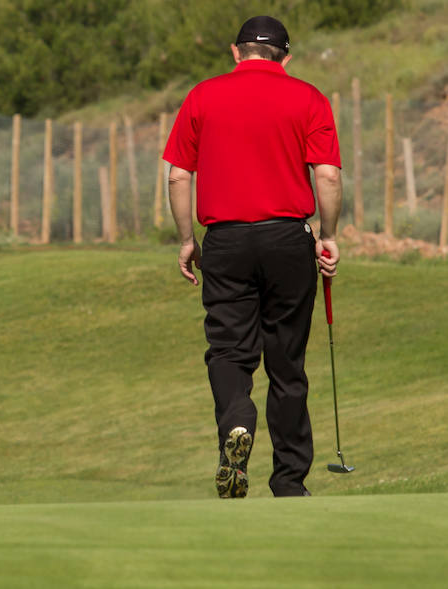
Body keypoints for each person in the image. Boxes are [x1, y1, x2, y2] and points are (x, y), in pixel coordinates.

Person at [162, 16, 342, 498]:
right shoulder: (309, 97)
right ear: (286, 57)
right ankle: (288, 483)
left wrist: (186, 239)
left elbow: (179, 175)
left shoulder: (203, 95)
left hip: (226, 242)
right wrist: (329, 234)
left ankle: (237, 424)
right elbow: (326, 175)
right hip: (288, 239)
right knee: (286, 362)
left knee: (229, 351)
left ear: (235, 52)